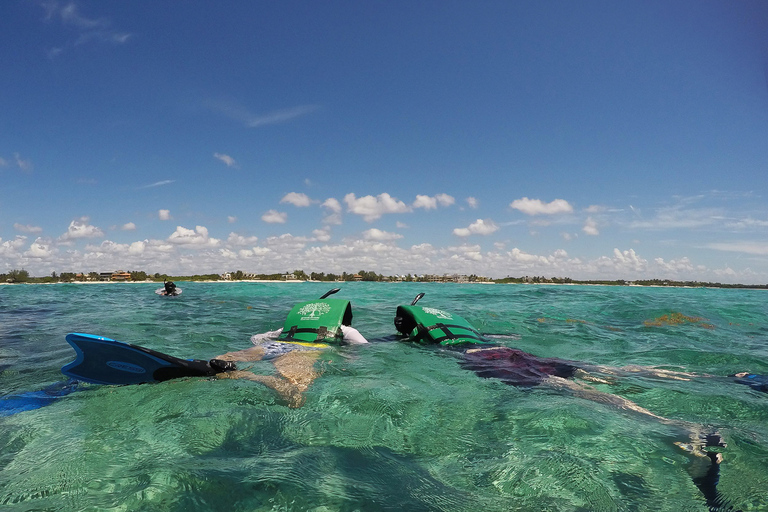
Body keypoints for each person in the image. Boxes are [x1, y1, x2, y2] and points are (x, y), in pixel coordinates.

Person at [393, 294, 741, 510]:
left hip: (487, 361)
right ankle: (721, 378)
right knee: (605, 371)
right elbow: (506, 334)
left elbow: (382, 344)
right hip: (515, 351)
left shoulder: (419, 340)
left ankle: (674, 429)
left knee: (570, 389)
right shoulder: (471, 332)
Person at [215, 290, 367, 407]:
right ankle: (251, 376)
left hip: (273, 345)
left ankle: (211, 367)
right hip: (301, 352)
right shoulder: (347, 330)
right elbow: (364, 349)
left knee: (224, 359)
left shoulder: (288, 329)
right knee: (295, 398)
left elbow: (258, 338)